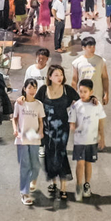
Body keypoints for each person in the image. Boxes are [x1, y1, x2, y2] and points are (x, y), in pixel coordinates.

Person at [35, 65, 79, 201]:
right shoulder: (43, 90)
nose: (59, 77)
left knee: (60, 153)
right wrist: (22, 100)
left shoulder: (67, 90)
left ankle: (63, 187)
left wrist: (93, 98)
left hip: (62, 129)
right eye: (56, 75)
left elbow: (81, 100)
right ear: (49, 77)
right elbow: (34, 103)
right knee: (49, 153)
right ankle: (54, 183)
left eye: (61, 74)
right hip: (47, 129)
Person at [69, 79, 107, 201]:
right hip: (79, 141)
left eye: (85, 91)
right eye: (80, 91)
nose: (82, 94)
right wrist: (73, 127)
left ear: (91, 92)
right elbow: (72, 121)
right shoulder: (76, 106)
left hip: (92, 140)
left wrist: (102, 137)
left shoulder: (96, 105)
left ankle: (87, 185)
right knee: (80, 163)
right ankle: (78, 185)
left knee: (88, 163)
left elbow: (101, 121)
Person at [13, 78, 45, 206]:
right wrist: (16, 130)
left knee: (36, 165)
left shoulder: (39, 104)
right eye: (29, 88)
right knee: (25, 166)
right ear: (25, 89)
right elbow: (14, 118)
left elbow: (41, 121)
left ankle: (32, 181)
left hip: (35, 138)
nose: (32, 90)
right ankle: (24, 193)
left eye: (34, 88)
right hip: (22, 139)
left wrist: (41, 132)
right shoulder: (19, 103)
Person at [71, 37, 110, 106]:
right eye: (89, 47)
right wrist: (73, 97)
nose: (92, 49)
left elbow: (105, 78)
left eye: (94, 47)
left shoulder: (101, 61)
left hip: (97, 97)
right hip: (82, 97)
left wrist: (106, 94)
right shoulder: (77, 62)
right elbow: (74, 80)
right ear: (83, 48)